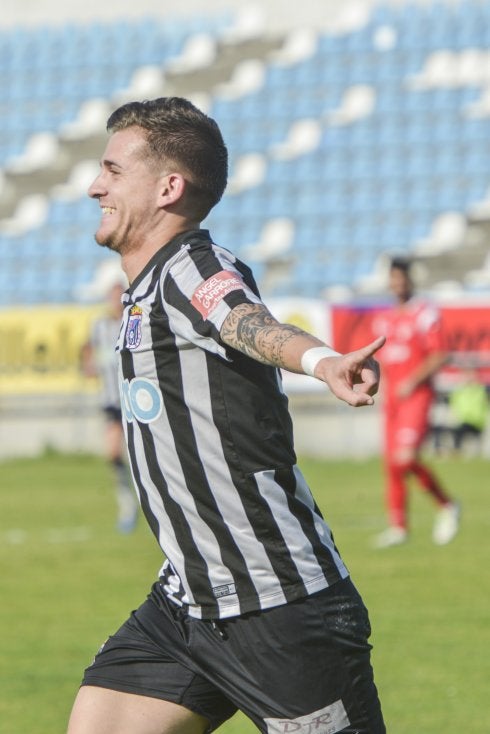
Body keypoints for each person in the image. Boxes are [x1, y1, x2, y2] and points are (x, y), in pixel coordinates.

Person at [67, 97, 387, 734]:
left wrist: (322, 362)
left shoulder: (191, 266)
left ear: (168, 187)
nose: (94, 186)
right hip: (187, 600)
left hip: (278, 605)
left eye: (111, 170)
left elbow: (247, 321)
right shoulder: (144, 289)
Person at [372, 257, 460, 549]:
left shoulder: (424, 312)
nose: (397, 283)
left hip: (417, 396)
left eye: (402, 278)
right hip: (393, 399)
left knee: (405, 458)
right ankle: (398, 527)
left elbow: (441, 353)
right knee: (391, 465)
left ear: (410, 280)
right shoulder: (384, 318)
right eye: (393, 278)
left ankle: (447, 504)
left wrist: (412, 381)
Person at [81, 279, 139, 533]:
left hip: (136, 400)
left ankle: (154, 503)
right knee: (113, 453)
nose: (115, 301)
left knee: (142, 455)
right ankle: (127, 505)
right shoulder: (100, 325)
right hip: (112, 402)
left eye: (119, 296)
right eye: (111, 296)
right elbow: (87, 348)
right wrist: (88, 365)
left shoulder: (134, 321)